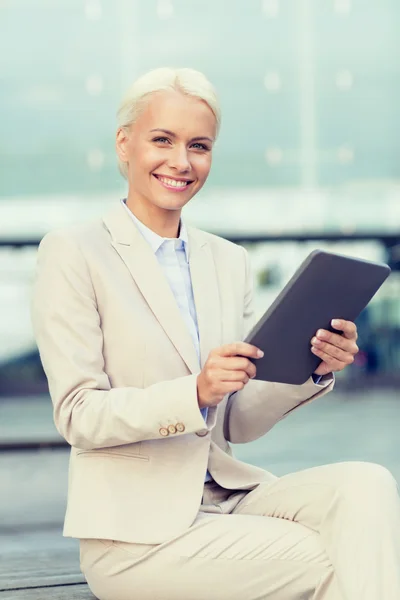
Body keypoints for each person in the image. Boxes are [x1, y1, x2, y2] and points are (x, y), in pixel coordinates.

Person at [31, 67, 400, 600]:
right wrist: (195, 391)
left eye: (199, 146)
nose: (182, 162)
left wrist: (313, 367)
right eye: (163, 140)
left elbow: (239, 423)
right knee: (340, 554)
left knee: (367, 486)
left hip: (228, 497)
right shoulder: (74, 252)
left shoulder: (228, 261)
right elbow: (79, 414)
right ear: (125, 143)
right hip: (136, 537)